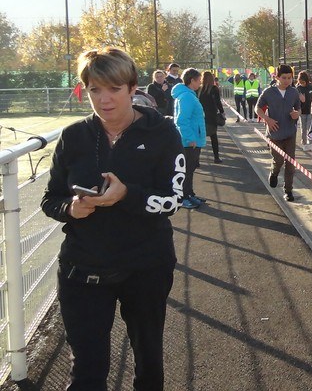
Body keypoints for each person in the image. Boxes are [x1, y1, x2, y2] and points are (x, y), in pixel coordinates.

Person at [41, 47, 182, 391]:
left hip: (146, 266)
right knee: (86, 372)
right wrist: (71, 209)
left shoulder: (163, 132)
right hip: (82, 267)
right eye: (94, 90)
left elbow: (173, 200)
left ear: (133, 88)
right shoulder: (73, 136)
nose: (104, 100)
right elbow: (50, 199)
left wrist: (127, 194)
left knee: (148, 362)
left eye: (114, 89)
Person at [255, 64, 302, 202]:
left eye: (289, 78)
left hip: (290, 132)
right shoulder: (269, 92)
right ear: (277, 77)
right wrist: (267, 119)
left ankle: (288, 191)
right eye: (284, 78)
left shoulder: (293, 92)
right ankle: (274, 172)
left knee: (290, 163)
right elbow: (258, 108)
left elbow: (298, 108)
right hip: (274, 133)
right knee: (279, 160)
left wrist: (297, 114)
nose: (287, 81)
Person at [172, 68, 205, 209]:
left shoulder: (187, 95)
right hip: (190, 141)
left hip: (192, 139)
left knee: (189, 169)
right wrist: (190, 138)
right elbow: (182, 120)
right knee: (186, 170)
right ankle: (184, 197)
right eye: (199, 80)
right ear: (192, 80)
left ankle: (189, 194)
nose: (200, 83)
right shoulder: (187, 97)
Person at [198, 70, 224, 165]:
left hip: (201, 115)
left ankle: (197, 160)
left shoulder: (199, 89)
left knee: (199, 136)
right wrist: (222, 111)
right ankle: (216, 157)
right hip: (212, 115)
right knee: (213, 136)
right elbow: (218, 102)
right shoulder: (214, 89)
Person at [296, 70, 312, 146]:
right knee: (303, 128)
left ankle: (310, 142)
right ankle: (304, 142)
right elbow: (296, 100)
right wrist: (300, 99)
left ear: (306, 80)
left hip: (310, 110)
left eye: (303, 82)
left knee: (309, 127)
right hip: (302, 111)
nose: (302, 84)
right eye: (300, 82)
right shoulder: (298, 88)